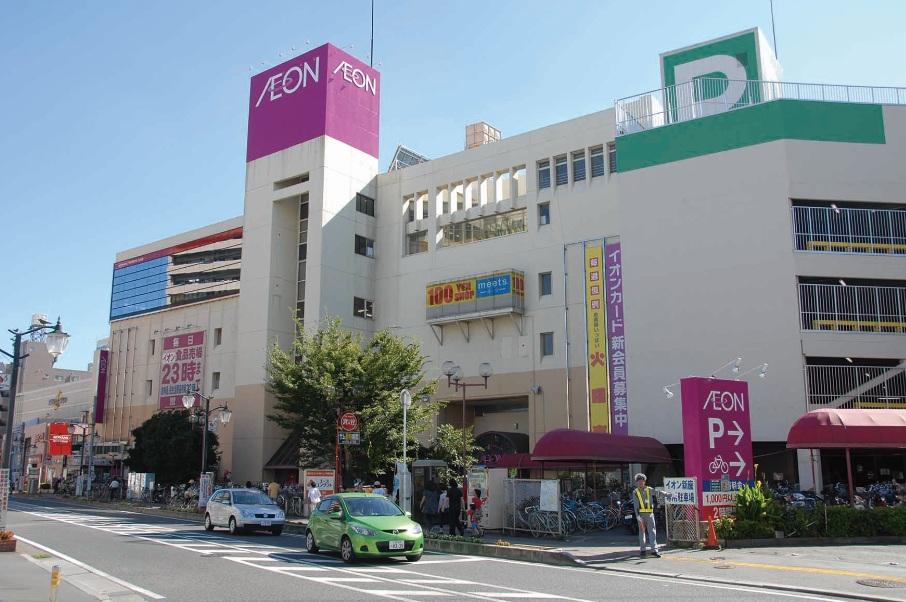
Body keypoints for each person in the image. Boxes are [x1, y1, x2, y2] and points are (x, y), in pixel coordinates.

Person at [632, 473, 660, 558]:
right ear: (636, 482)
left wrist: (667, 494)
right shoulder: (635, 492)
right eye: (639, 481)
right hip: (641, 515)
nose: (640, 482)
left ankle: (654, 550)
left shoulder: (649, 489)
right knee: (642, 532)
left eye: (642, 481)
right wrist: (637, 516)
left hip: (650, 514)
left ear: (644, 481)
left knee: (652, 532)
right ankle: (643, 550)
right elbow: (636, 505)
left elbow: (658, 492)